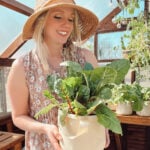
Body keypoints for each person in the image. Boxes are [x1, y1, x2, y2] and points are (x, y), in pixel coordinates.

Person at [7, 0, 110, 149]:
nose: (67, 25)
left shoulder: (86, 58)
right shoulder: (22, 66)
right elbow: (18, 117)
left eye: (71, 19)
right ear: (41, 21)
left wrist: (103, 125)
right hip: (43, 145)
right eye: (58, 17)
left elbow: (99, 103)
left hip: (82, 144)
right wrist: (45, 128)